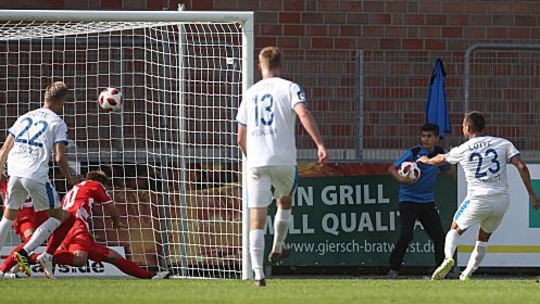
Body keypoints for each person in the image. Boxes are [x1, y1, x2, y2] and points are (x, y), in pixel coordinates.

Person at [236, 46, 328, 287]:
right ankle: (278, 245)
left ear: (259, 66)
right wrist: (319, 144)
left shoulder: (250, 92)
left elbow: (239, 137)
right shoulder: (290, 87)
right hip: (284, 160)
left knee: (256, 218)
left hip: (255, 162)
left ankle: (257, 273)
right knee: (284, 201)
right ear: (281, 65)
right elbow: (304, 113)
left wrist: (251, 157)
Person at [418, 111, 540, 280]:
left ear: (467, 127)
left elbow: (441, 159)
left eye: (462, 126)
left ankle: (448, 258)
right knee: (483, 239)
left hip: (478, 198)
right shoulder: (503, 143)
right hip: (501, 200)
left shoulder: (462, 149)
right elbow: (521, 167)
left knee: (455, 229)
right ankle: (467, 274)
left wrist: (426, 160)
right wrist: (532, 195)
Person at [0, 81, 77, 277]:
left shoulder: (24, 117)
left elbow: (3, 150)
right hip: (35, 174)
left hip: (14, 172)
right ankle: (25, 252)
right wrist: (70, 178)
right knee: (59, 217)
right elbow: (59, 157)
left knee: (8, 218)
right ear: (61, 102)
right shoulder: (57, 123)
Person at [31, 170, 169, 279]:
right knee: (80, 260)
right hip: (77, 225)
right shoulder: (95, 185)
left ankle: (150, 276)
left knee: (113, 256)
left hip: (65, 226)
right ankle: (35, 257)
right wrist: (117, 222)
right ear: (102, 183)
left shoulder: (73, 190)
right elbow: (113, 210)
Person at [386, 123, 456, 279]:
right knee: (406, 234)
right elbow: (392, 168)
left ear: (437, 138)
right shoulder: (414, 152)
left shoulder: (439, 153)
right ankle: (394, 268)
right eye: (423, 136)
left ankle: (440, 270)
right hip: (408, 199)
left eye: (429, 136)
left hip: (426, 201)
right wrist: (401, 179)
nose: (425, 139)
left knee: (438, 236)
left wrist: (451, 159)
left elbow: (451, 174)